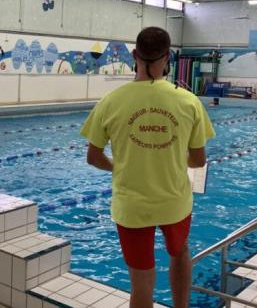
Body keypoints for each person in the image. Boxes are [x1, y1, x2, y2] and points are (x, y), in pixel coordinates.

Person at [80, 27, 215, 308]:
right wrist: (175, 160)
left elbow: (93, 157)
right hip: (175, 202)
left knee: (141, 283)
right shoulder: (189, 102)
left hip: (131, 206)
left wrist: (118, 167)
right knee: (179, 254)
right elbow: (199, 160)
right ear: (168, 57)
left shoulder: (111, 102)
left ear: (134, 55)